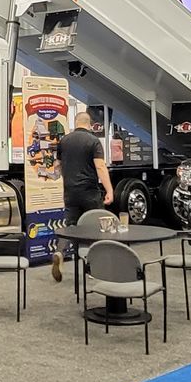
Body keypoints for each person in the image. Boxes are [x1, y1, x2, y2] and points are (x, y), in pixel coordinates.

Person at [52, 111, 114, 281]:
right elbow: (100, 167)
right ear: (90, 124)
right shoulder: (93, 141)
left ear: (76, 122)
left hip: (70, 191)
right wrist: (109, 190)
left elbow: (58, 165)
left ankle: (59, 252)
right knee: (96, 227)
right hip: (89, 191)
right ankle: (92, 268)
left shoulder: (64, 141)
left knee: (71, 227)